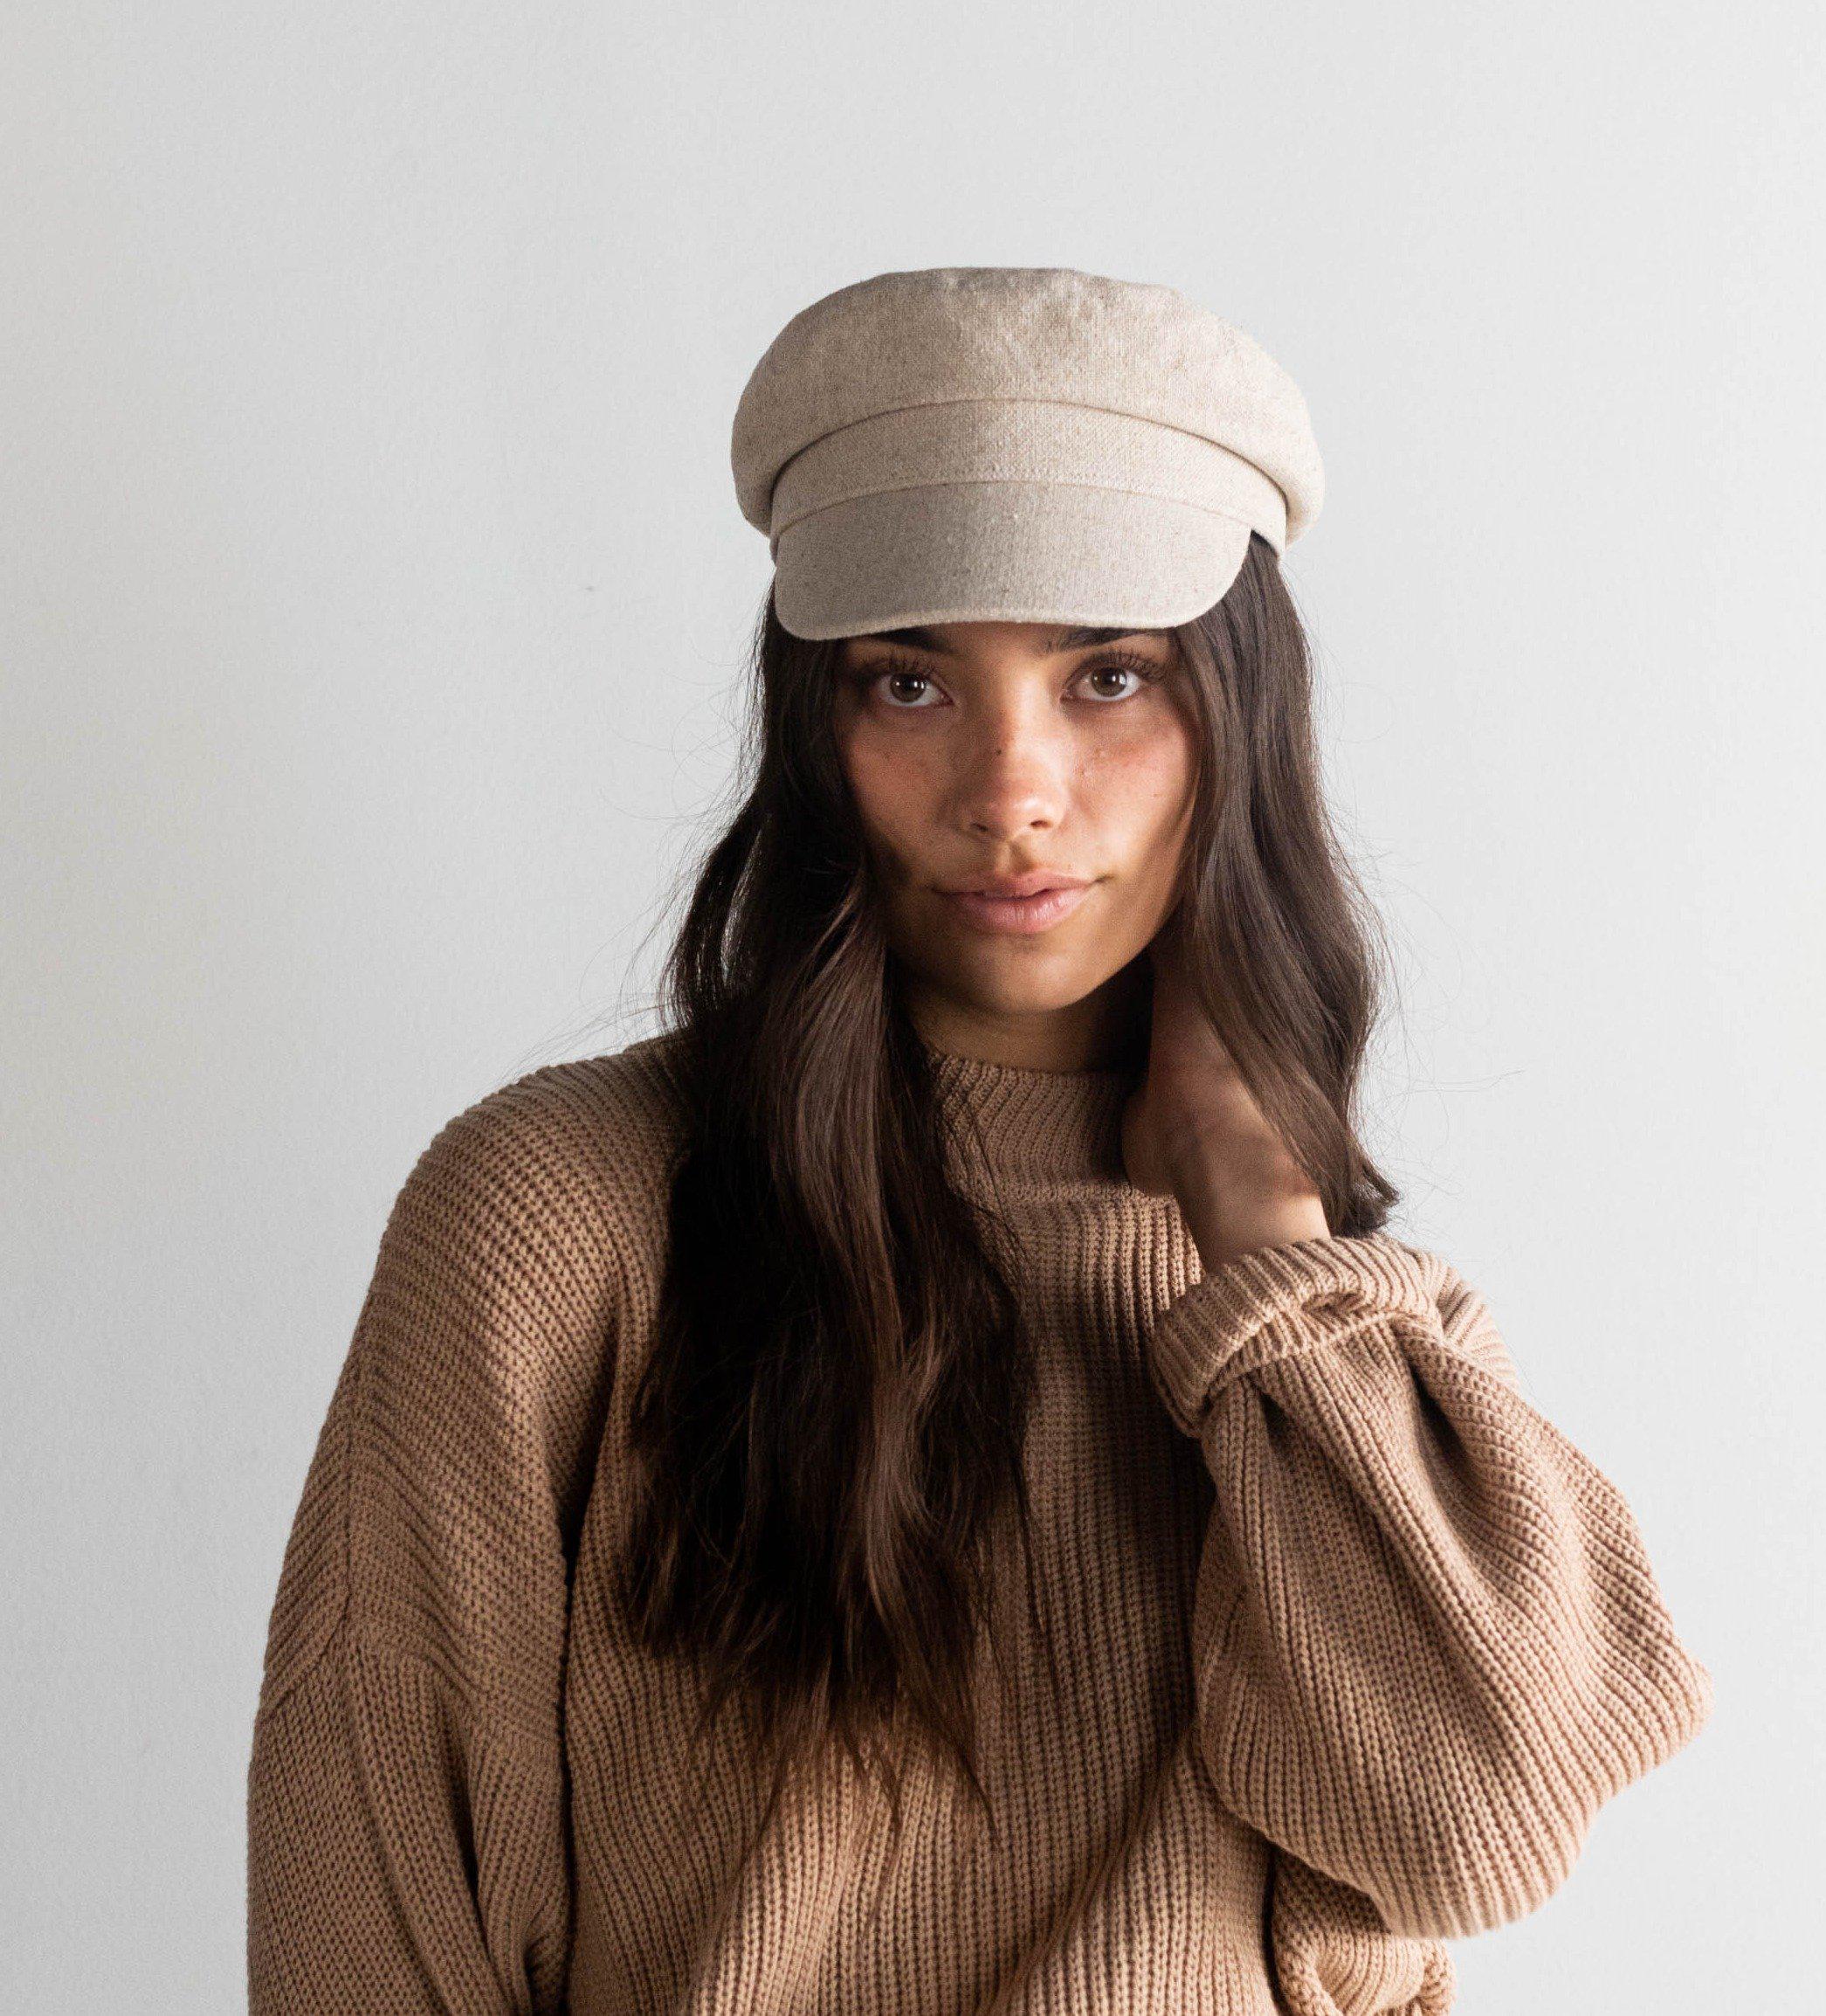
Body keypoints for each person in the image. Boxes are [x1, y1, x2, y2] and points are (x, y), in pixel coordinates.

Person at [245, 266, 1713, 2016]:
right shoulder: (567, 1212)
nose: (1012, 788)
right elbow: (375, 1899)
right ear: (815, 727)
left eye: (1107, 675)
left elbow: (1473, 1824)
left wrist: (1257, 1223)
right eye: (909, 683)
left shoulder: (1310, 1308)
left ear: (1235, 721)